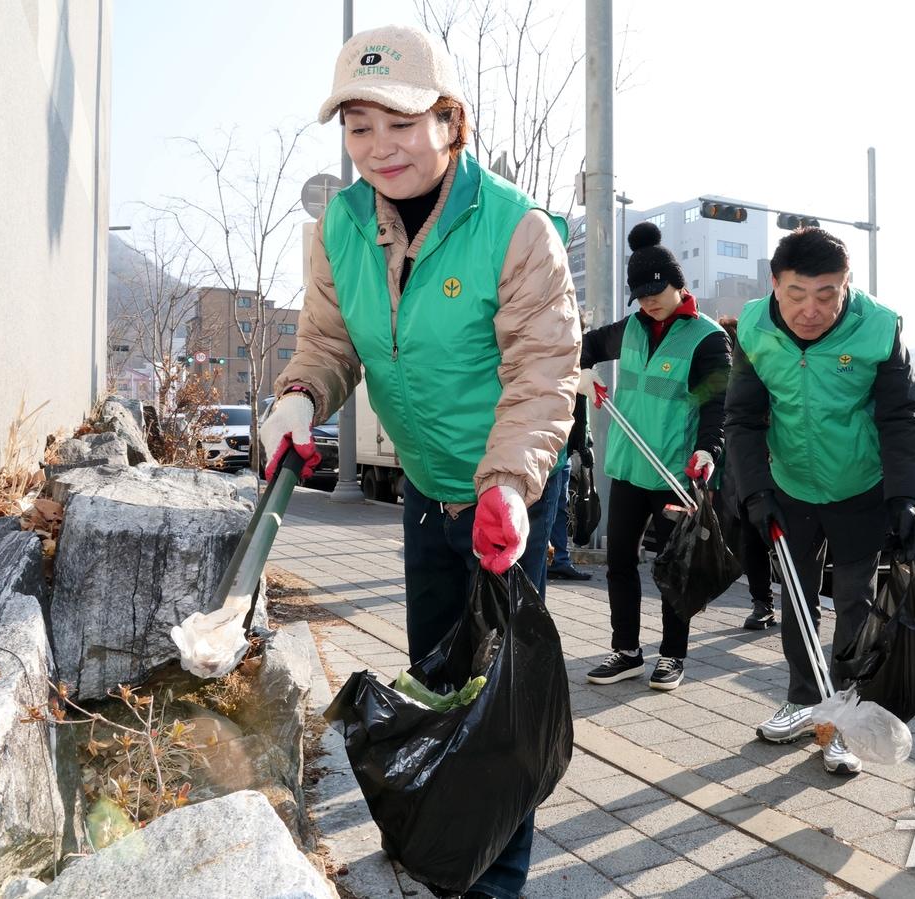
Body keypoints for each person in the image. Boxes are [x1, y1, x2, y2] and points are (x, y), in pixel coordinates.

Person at [258, 25, 579, 899]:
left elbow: (544, 372)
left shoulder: (516, 229)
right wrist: (300, 396)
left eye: (400, 123)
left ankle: (495, 880)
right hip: (427, 490)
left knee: (496, 699)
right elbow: (329, 342)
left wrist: (507, 486)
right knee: (436, 679)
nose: (379, 148)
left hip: (507, 494)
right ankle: (442, 843)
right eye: (359, 127)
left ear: (449, 121)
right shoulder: (341, 227)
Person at [724, 227, 915, 774]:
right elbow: (742, 418)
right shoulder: (755, 327)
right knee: (797, 597)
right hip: (790, 486)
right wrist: (755, 490)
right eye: (796, 294)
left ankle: (847, 718)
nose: (810, 310)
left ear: (846, 285)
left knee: (856, 602)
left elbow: (899, 416)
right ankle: (804, 700)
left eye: (827, 294)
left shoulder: (879, 327)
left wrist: (904, 495)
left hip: (859, 486)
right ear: (775, 284)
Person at [578, 222, 731, 692]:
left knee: (673, 570)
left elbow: (716, 405)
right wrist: (583, 372)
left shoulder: (707, 338)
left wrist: (708, 448)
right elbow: (584, 345)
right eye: (640, 296)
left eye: (655, 293)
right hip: (628, 466)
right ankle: (626, 651)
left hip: (674, 473)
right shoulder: (629, 330)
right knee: (619, 562)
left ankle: (672, 655)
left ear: (677, 284)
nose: (648, 303)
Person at [714, 315, 777, 630]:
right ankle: (762, 603)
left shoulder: (764, 364)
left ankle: (785, 604)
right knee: (752, 536)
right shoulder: (722, 375)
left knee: (782, 537)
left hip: (778, 462)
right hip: (746, 467)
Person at [546, 393, 593, 580]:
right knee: (552, 507)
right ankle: (553, 560)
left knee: (559, 506)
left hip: (562, 442)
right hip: (551, 440)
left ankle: (557, 560)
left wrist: (583, 439)